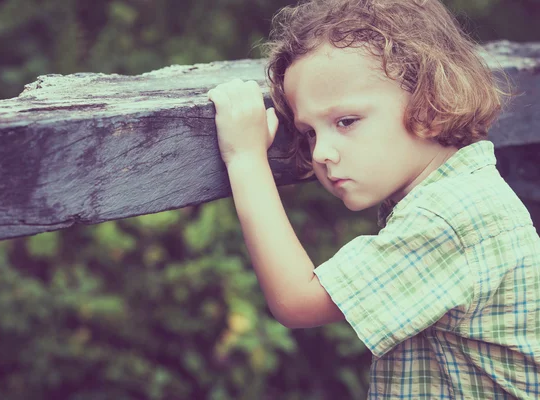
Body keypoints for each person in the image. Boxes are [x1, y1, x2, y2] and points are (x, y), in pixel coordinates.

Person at [207, 0, 540, 398]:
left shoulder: (450, 217)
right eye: (310, 132)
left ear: (429, 101)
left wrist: (245, 158)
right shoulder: (465, 191)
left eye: (346, 122)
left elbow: (297, 301)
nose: (320, 154)